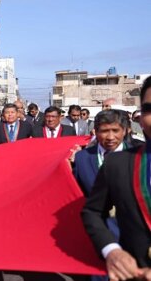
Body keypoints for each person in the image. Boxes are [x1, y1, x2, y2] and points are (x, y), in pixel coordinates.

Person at [81, 76, 151, 281]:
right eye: (148, 109)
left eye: (115, 130)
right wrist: (111, 250)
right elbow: (92, 211)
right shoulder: (118, 164)